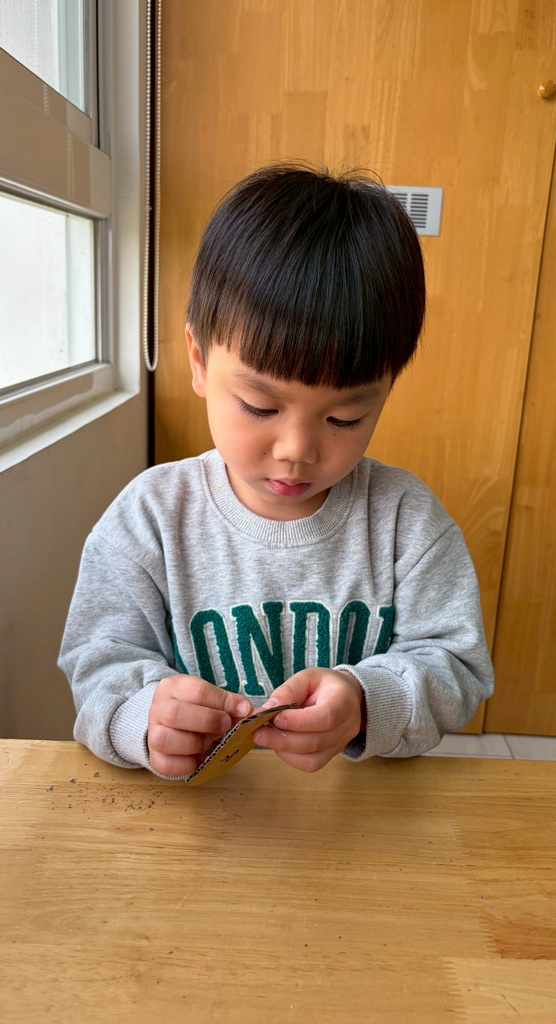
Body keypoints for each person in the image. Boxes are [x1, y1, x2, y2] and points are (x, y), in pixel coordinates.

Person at [59, 163, 494, 779]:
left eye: (344, 418)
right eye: (261, 407)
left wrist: (367, 702)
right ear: (198, 360)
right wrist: (142, 718)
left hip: (358, 814)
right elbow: (97, 666)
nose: (297, 449)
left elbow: (458, 666)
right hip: (204, 814)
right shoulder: (150, 517)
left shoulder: (406, 521)